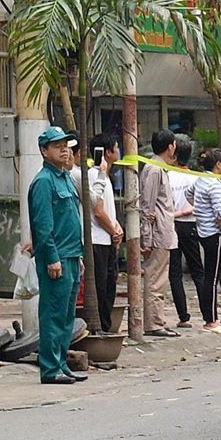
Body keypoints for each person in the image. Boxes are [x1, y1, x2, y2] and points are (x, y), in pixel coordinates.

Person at [26, 127, 86, 386]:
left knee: (66, 316)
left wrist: (78, 255)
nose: (65, 149)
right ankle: (50, 368)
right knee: (53, 314)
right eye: (57, 145)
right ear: (44, 150)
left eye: (66, 145)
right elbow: (42, 226)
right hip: (57, 257)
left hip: (71, 255)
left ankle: (61, 363)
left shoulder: (64, 178)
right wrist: (51, 257)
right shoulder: (43, 182)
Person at [139, 130, 182, 338]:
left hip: (164, 232)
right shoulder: (155, 169)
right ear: (170, 147)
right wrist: (146, 237)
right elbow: (147, 205)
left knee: (161, 279)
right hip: (157, 234)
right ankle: (153, 323)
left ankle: (158, 320)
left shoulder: (160, 168)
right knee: (155, 279)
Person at [83, 135, 124, 333]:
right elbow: (97, 210)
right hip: (98, 239)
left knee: (110, 284)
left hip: (108, 238)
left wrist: (117, 228)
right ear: (107, 152)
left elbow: (107, 209)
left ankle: (106, 326)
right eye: (116, 148)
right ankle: (99, 326)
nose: (118, 151)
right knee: (101, 286)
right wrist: (112, 229)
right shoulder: (94, 175)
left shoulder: (106, 175)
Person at [190, 147, 221, 332]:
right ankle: (211, 319)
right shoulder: (214, 185)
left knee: (209, 275)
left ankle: (210, 316)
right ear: (217, 164)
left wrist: (200, 211)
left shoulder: (201, 180)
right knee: (212, 277)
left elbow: (189, 194)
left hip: (203, 231)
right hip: (214, 234)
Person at [166, 134, 200, 328]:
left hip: (172, 224)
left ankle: (183, 316)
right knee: (197, 270)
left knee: (175, 272)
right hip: (190, 224)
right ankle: (208, 314)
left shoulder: (167, 176)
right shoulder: (196, 177)